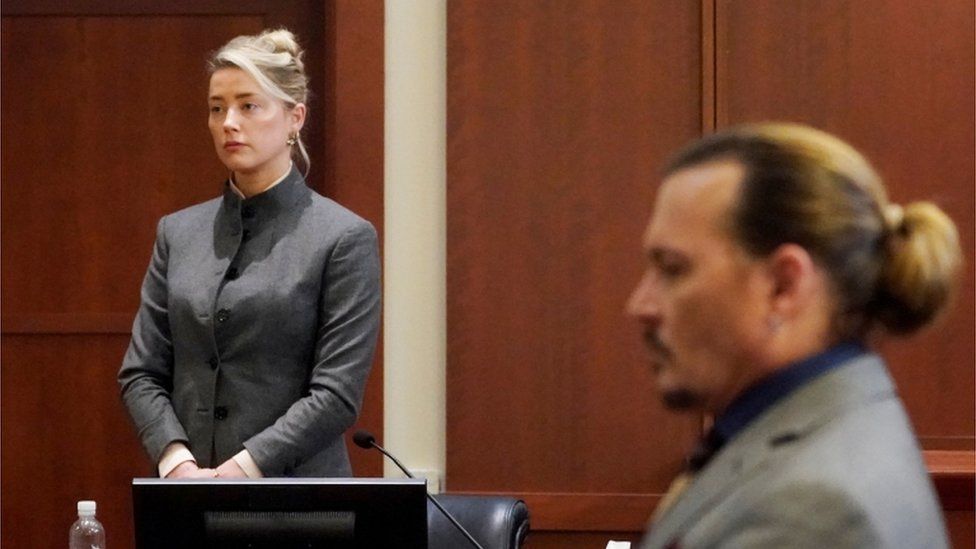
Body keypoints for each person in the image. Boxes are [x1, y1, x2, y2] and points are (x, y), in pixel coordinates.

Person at [626, 123, 960, 548]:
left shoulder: (808, 510)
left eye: (673, 269)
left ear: (783, 286)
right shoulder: (835, 427)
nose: (641, 305)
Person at [118, 29, 380, 479]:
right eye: (216, 108)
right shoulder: (177, 233)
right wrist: (176, 462)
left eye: (249, 106)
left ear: (295, 117)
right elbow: (141, 373)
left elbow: (336, 394)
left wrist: (241, 470)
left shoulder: (343, 237)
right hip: (186, 490)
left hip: (297, 497)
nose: (229, 123)